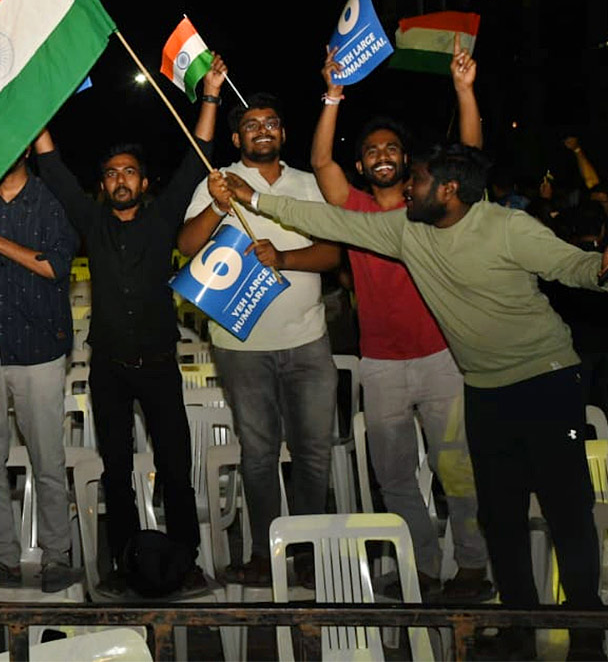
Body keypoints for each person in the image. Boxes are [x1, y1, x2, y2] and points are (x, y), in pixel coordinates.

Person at [216, 145, 608, 659]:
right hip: (486, 389)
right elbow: (330, 219)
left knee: (567, 509)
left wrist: (599, 267)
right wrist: (256, 200)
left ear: (448, 190)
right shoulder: (407, 229)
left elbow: (575, 268)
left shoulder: (509, 228)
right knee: (500, 514)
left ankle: (586, 633)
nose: (407, 188)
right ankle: (518, 627)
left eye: (417, 181)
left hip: (547, 381)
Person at [31, 56, 228, 597]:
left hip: (162, 368)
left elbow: (197, 160)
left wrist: (210, 95)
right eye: (112, 173)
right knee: (115, 472)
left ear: (145, 182)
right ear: (104, 184)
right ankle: (121, 564)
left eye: (130, 173)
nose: (121, 180)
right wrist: (33, 113)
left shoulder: (163, 218)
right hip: (110, 371)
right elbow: (52, 168)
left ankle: (185, 561)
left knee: (176, 467)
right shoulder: (90, 221)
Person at [308, 39, 492, 601]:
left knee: (456, 472)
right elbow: (320, 163)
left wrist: (464, 90)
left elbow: (468, 156)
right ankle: (425, 568)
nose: (381, 154)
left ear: (407, 162)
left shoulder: (430, 207)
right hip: (382, 366)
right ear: (362, 165)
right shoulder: (356, 211)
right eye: (371, 150)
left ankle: (473, 567)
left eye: (391, 147)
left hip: (441, 359)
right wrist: (333, 94)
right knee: (394, 479)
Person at [177, 92, 340, 588]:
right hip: (239, 344)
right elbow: (185, 244)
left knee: (313, 452)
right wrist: (217, 208)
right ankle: (265, 554)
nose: (262, 129)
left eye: (271, 122)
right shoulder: (219, 181)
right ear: (236, 138)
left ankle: (310, 553)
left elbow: (333, 254)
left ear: (283, 135)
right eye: (251, 124)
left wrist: (285, 260)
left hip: (308, 340)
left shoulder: (308, 184)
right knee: (259, 454)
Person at [0, 153, 81, 593]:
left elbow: (56, 266)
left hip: (39, 349)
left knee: (48, 461)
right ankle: (2, 556)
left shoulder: (52, 197)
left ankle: (57, 555)